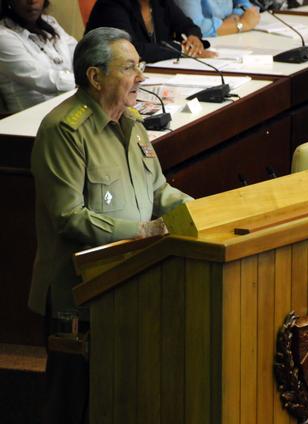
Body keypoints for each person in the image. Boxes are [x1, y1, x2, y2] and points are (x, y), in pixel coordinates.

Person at [30, 27, 193, 423]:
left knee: (119, 398)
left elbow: (159, 190)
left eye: (140, 67)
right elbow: (68, 217)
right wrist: (141, 232)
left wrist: (199, 210)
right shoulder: (64, 131)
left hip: (130, 284)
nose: (141, 77)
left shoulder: (132, 123)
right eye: (130, 68)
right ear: (96, 77)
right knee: (69, 405)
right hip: (79, 295)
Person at [0, 0, 77, 114]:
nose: (32, 1)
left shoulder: (50, 22)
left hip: (66, 110)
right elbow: (41, 78)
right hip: (28, 121)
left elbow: (80, 52)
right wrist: (85, 82)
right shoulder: (3, 36)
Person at [86, 0, 215, 63]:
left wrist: (194, 38)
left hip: (150, 75)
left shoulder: (161, 2)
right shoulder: (111, 5)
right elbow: (131, 50)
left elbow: (187, 25)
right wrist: (181, 49)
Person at [175, 0, 260, 37]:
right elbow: (195, 28)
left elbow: (245, 5)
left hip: (229, 38)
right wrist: (242, 24)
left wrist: (235, 15)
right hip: (203, 46)